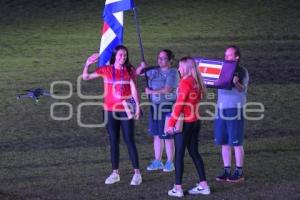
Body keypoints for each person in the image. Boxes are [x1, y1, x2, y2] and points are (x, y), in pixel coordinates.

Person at [82, 45, 142, 185]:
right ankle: (115, 173)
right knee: (113, 141)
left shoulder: (129, 70)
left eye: (125, 55)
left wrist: (138, 107)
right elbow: (85, 77)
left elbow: (134, 90)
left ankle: (137, 173)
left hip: (126, 109)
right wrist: (87, 64)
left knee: (129, 140)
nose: (123, 58)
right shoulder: (106, 70)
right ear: (115, 56)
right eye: (121, 55)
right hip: (109, 110)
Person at [166, 57, 211, 197]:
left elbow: (179, 105)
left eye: (180, 67)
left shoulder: (185, 82)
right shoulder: (196, 82)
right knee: (194, 153)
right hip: (195, 122)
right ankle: (204, 185)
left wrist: (170, 123)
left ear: (186, 67)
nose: (178, 69)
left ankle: (177, 188)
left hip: (185, 123)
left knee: (179, 155)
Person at [136, 49, 179, 172]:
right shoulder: (154, 70)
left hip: (167, 106)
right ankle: (158, 161)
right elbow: (138, 73)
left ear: (170, 60)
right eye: (159, 58)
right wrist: (142, 67)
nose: (160, 60)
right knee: (156, 136)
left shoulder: (173, 72)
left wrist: (152, 92)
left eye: (164, 58)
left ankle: (170, 162)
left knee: (167, 136)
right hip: (154, 106)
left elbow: (168, 89)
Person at [214, 45, 249, 183]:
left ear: (237, 57)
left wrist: (236, 83)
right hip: (221, 109)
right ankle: (227, 170)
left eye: (229, 55)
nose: (226, 57)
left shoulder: (242, 71)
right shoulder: (221, 69)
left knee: (236, 142)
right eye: (225, 55)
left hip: (235, 109)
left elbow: (241, 89)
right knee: (224, 142)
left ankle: (239, 171)